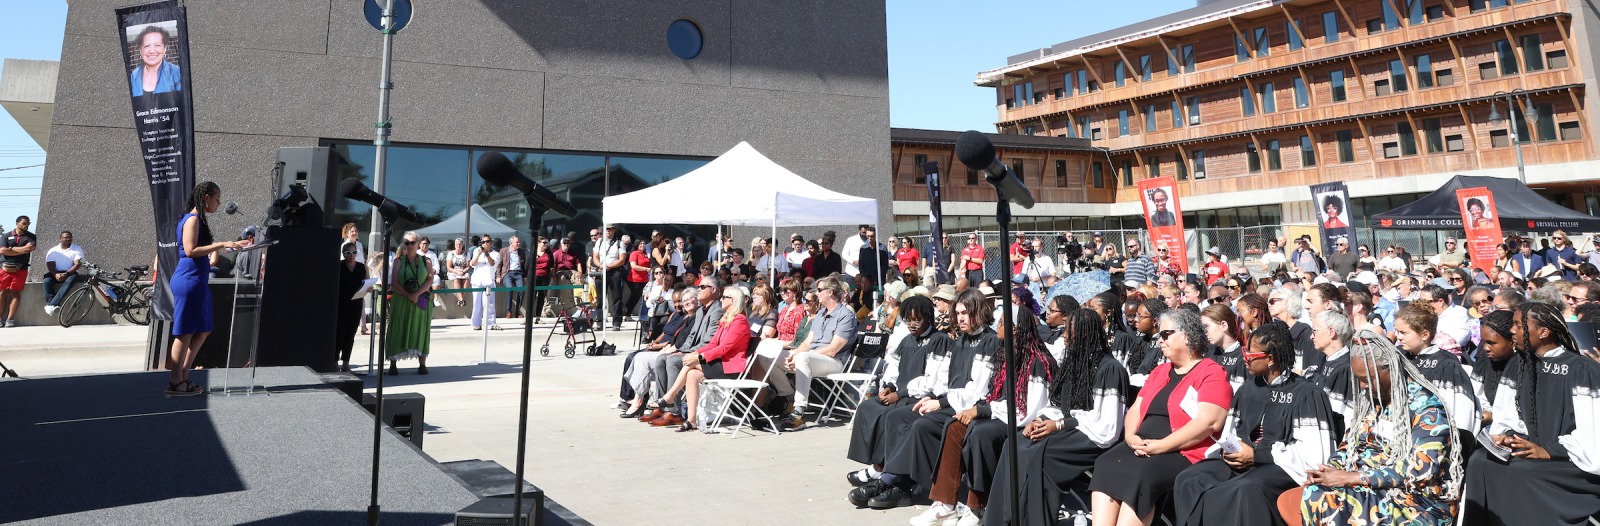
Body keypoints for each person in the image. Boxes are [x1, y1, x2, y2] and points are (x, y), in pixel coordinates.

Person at [1173, 320, 1338, 526]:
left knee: (1244, 489)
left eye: (1250, 355)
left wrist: (1257, 455)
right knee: (1189, 479)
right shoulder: (1247, 390)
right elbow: (1231, 433)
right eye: (1245, 352)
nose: (1245, 359)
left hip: (1281, 466)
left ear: (1271, 359)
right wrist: (1229, 450)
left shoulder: (1306, 394)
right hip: (1243, 460)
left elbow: (1313, 456)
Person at [849, 288, 999, 510]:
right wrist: (931, 396)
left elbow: (977, 390)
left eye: (966, 313)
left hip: (969, 406)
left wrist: (940, 402)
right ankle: (889, 475)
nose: (961, 318)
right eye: (958, 313)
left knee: (921, 425)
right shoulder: (960, 341)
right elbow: (942, 379)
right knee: (898, 417)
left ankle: (897, 483)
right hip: (947, 399)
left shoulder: (990, 342)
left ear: (980, 311)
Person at [1298, 329, 1466, 525]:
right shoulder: (1372, 401)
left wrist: (1352, 477)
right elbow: (1350, 444)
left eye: (1367, 379)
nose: (1362, 386)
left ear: (1389, 370)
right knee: (1316, 491)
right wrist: (1330, 471)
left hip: (1418, 500)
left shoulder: (1427, 409)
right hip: (1372, 484)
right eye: (1358, 379)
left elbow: (1421, 472)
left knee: (1328, 500)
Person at [984, 309, 1129, 526]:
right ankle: (1003, 518)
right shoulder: (1075, 362)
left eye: (1069, 332)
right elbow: (1059, 404)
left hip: (1093, 437)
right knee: (1015, 444)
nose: (1064, 336)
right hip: (1070, 428)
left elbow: (1107, 426)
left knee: (1040, 455)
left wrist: (1060, 425)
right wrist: (1040, 420)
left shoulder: (1110, 369)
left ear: (1083, 334)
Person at [910, 311, 1055, 526]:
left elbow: (1028, 411)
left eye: (1003, 322)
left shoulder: (1038, 361)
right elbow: (993, 394)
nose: (997, 325)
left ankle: (976, 506)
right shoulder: (1005, 355)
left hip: (1019, 422)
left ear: (1015, 329)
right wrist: (981, 409)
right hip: (999, 413)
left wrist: (983, 411)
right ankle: (945, 504)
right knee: (955, 426)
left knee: (980, 434)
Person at [1462, 302, 1600, 526]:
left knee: (1521, 472)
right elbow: (1506, 415)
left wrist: (1548, 450)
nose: (1512, 331)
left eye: (1518, 325)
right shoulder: (1519, 364)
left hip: (1570, 459)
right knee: (1479, 461)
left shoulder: (1582, 369)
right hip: (1531, 449)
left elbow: (1592, 433)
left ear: (1544, 332)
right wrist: (1508, 436)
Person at [1091, 308, 1232, 526]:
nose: (1159, 340)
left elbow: (1209, 422)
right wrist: (1129, 436)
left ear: (1186, 335)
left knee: (1141, 474)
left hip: (1183, 451)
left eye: (1165, 334)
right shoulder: (1160, 371)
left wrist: (1161, 446)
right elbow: (1136, 409)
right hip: (1143, 443)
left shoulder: (1211, 372)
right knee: (1105, 463)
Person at [844, 296, 949, 494]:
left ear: (927, 318)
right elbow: (894, 367)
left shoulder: (938, 340)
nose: (911, 324)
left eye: (917, 320)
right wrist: (889, 386)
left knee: (891, 415)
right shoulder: (906, 340)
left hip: (919, 396)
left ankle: (885, 470)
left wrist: (900, 394)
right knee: (868, 408)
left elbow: (932, 381)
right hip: (899, 392)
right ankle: (877, 464)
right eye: (908, 320)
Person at [165, 182, 246, 395]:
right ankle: (175, 381)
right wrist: (220, 244)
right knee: (184, 332)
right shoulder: (192, 220)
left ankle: (183, 374)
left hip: (197, 280)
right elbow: (190, 251)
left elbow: (201, 251)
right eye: (217, 199)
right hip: (189, 280)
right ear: (206, 198)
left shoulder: (197, 219)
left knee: (203, 329)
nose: (219, 203)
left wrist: (229, 246)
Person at [655, 285, 751, 432]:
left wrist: (699, 357)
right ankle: (691, 421)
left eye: (725, 297)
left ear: (734, 300)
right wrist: (696, 353)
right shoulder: (726, 319)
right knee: (692, 374)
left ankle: (670, 396)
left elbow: (724, 348)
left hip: (731, 367)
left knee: (689, 364)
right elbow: (713, 343)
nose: (721, 299)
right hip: (721, 363)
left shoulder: (740, 321)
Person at [1392, 302, 1482, 438]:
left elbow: (1460, 415)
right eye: (1397, 331)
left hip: (1430, 437)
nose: (1398, 337)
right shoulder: (1396, 356)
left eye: (1404, 332)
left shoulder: (1445, 365)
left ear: (1424, 334)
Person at [781, 275, 858, 429]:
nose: (817, 293)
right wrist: (793, 355)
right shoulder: (820, 315)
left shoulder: (846, 315)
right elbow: (807, 342)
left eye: (820, 290)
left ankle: (799, 411)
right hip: (811, 359)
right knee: (770, 355)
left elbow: (833, 349)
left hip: (834, 361)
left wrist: (801, 356)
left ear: (830, 292)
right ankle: (788, 396)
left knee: (803, 357)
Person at [386, 231, 433, 375]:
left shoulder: (427, 261)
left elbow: (430, 279)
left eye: (413, 242)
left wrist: (416, 294)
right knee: (398, 328)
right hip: (401, 299)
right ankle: (393, 364)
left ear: (418, 243)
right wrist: (408, 294)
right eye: (407, 243)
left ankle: (422, 363)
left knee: (421, 329)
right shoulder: (398, 261)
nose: (410, 245)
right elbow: (394, 282)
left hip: (421, 299)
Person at [1311, 310, 1356, 427]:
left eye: (1315, 331)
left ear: (1331, 332)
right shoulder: (1325, 360)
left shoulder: (1345, 368)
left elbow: (1338, 415)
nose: (1311, 336)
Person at [1201, 303, 1249, 391]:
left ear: (1224, 325)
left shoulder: (1242, 357)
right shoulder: (1209, 352)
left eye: (1206, 326)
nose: (1205, 332)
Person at [335, 241, 367, 372]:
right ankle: (335, 360)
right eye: (348, 253)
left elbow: (367, 281)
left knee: (350, 334)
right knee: (339, 333)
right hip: (341, 304)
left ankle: (346, 362)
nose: (351, 256)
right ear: (343, 254)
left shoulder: (361, 267)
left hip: (356, 304)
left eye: (354, 253)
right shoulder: (339, 267)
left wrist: (368, 288)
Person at [0, 215, 36, 328]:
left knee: (15, 293)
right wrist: (20, 250)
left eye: (28, 223)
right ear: (17, 223)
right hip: (4, 269)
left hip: (21, 269)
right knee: (2, 293)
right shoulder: (5, 236)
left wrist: (10, 250)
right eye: (24, 223)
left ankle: (10, 319)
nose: (26, 225)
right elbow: (2, 250)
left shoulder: (31, 236)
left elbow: (28, 249)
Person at [128, 25, 181, 96]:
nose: (152, 51)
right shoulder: (133, 77)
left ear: (165, 49)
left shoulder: (177, 73)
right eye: (146, 46)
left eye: (157, 45)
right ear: (140, 50)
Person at [41, 231, 84, 316]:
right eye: (65, 237)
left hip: (71, 272)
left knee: (69, 281)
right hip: (55, 272)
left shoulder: (77, 249)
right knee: (46, 281)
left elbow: (77, 264)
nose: (68, 239)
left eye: (70, 237)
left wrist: (67, 273)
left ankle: (51, 305)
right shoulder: (53, 250)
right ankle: (54, 304)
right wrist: (55, 274)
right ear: (60, 238)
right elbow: (50, 264)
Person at [468, 236, 501, 331]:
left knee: (489, 304)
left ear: (491, 242)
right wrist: (478, 254)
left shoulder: (496, 254)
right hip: (477, 281)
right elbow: (473, 264)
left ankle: (491, 323)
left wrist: (486, 254)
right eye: (483, 242)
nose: (485, 244)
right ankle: (476, 323)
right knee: (476, 303)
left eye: (487, 241)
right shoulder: (476, 251)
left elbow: (492, 264)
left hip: (488, 281)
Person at [497, 235, 528, 319]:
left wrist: (525, 276)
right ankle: (509, 311)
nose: (519, 243)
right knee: (509, 289)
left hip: (518, 273)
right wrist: (498, 276)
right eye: (517, 242)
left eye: (519, 242)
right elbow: (499, 265)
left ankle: (517, 312)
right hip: (508, 273)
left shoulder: (521, 251)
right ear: (511, 243)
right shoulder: (503, 251)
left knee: (521, 290)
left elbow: (523, 265)